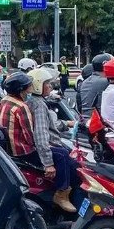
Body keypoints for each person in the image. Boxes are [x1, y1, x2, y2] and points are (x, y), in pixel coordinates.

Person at [25, 69, 78, 212]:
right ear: (37, 85)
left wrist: (68, 124)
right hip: (45, 146)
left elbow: (51, 125)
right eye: (47, 83)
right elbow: (41, 134)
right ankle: (62, 194)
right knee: (72, 165)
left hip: (49, 142)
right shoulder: (38, 104)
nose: (50, 86)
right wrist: (48, 162)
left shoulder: (37, 101)